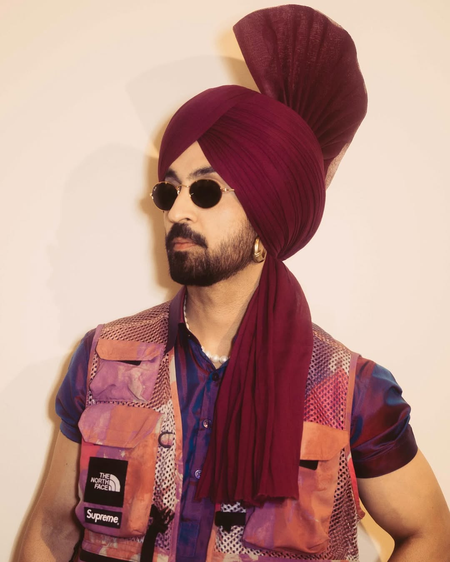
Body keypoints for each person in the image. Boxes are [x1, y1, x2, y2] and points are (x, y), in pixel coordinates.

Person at [18, 5, 450, 562]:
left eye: (205, 191)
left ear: (266, 219)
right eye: (169, 191)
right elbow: (51, 530)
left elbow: (430, 531)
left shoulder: (350, 391)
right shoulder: (103, 360)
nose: (177, 212)